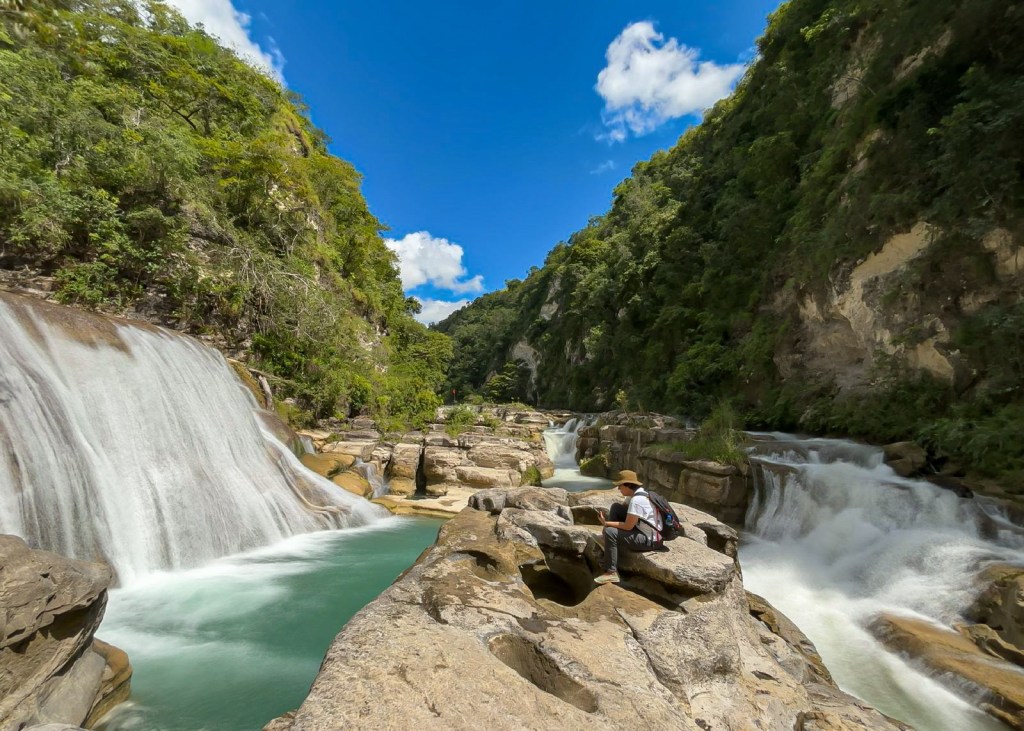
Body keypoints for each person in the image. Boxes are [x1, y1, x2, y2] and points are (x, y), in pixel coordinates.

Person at [595, 470, 662, 584]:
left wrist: (606, 524)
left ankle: (611, 573)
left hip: (650, 540)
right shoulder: (639, 494)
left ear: (628, 485)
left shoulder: (637, 500)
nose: (618, 488)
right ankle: (607, 540)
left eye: (620, 486)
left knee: (610, 531)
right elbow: (623, 511)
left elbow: (627, 526)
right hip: (642, 530)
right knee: (616, 507)